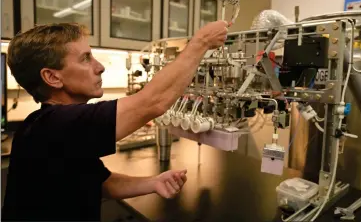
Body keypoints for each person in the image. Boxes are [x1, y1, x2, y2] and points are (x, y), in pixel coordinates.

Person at [2, 21, 228, 221]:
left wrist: (153, 182)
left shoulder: (54, 127)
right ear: (52, 77)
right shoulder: (55, 125)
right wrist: (202, 42)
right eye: (85, 59)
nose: (100, 67)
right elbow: (152, 102)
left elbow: (100, 182)